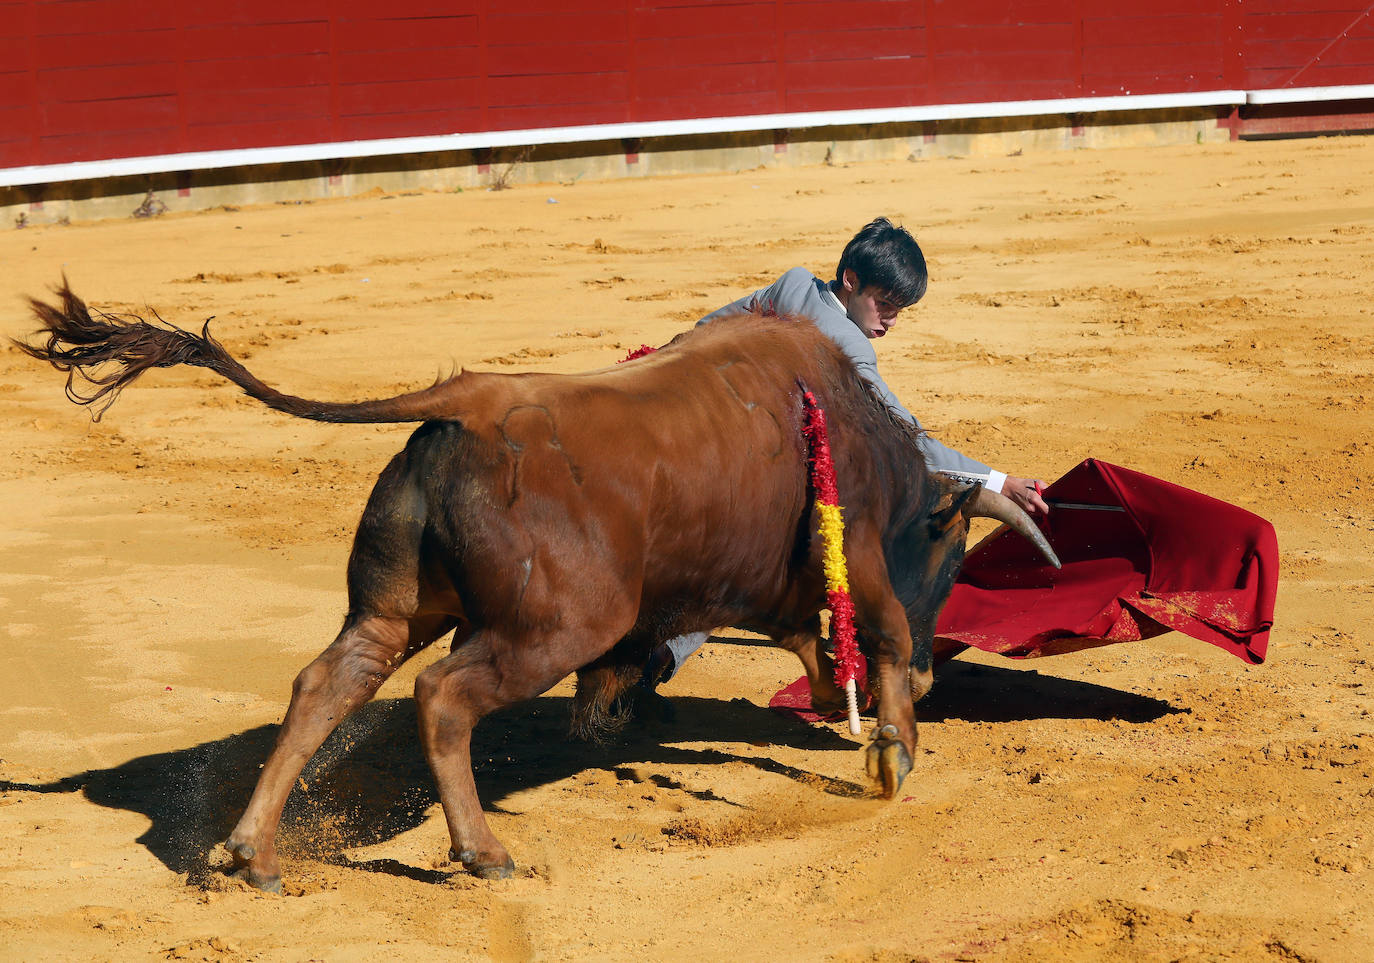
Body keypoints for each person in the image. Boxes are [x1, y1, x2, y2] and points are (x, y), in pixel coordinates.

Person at [645, 216, 1049, 686]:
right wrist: (999, 481)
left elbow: (704, 331)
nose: (890, 320)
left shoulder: (794, 284)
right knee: (755, 560)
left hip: (688, 423)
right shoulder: (849, 349)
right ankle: (660, 655)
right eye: (884, 304)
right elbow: (904, 441)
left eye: (900, 309)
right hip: (743, 466)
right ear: (851, 281)